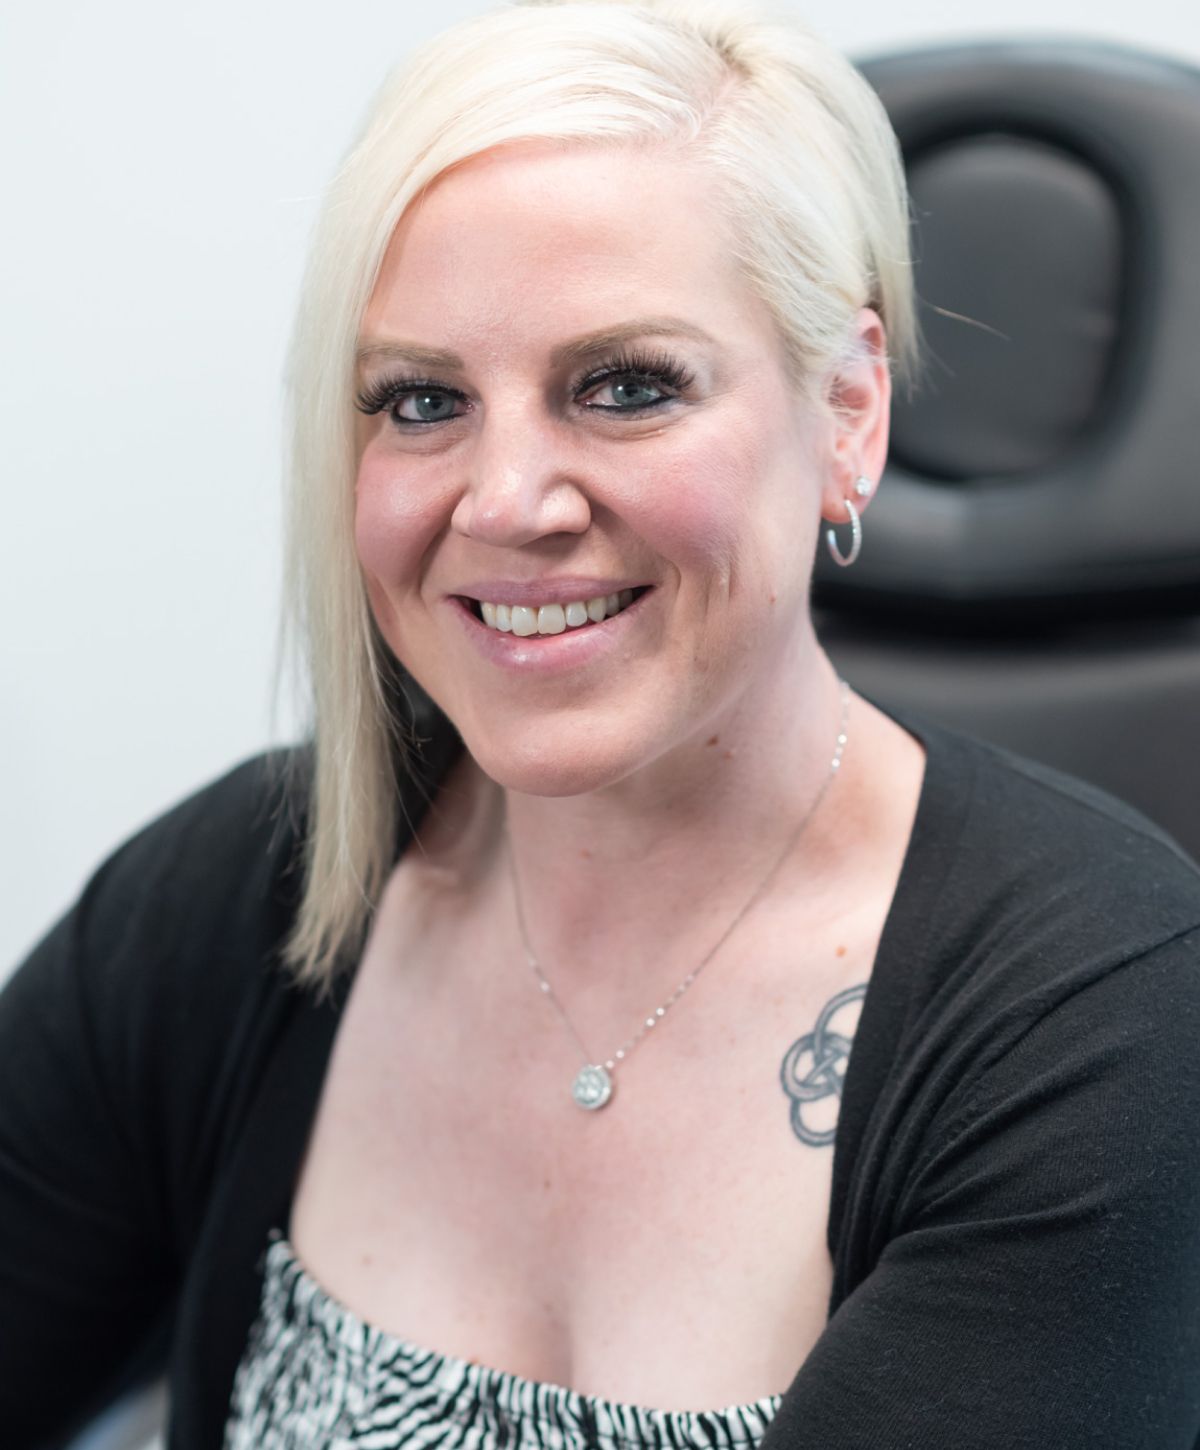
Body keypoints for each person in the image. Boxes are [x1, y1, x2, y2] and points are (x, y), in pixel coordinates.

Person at [3, 1, 1200, 1446]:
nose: (506, 500)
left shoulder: (1102, 1026)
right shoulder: (256, 886)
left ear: (851, 411)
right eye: (423, 397)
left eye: (627, 386)